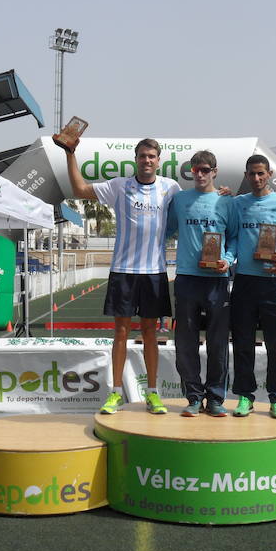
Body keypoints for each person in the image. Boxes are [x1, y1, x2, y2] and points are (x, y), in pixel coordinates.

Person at [65, 137, 180, 414]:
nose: (147, 160)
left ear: (159, 160)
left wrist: (220, 194)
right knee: (121, 332)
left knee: (151, 333)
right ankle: (115, 393)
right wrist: (70, 153)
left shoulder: (170, 188)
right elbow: (80, 189)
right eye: (143, 156)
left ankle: (153, 394)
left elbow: (194, 204)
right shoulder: (119, 186)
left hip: (154, 271)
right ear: (136, 159)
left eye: (152, 156)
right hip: (124, 271)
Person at [230, 154, 276, 419]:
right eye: (251, 174)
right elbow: (231, 239)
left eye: (261, 173)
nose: (256, 178)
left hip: (274, 284)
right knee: (242, 343)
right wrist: (227, 259)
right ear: (246, 175)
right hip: (244, 283)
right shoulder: (238, 204)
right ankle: (244, 396)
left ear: (270, 174)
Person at [165, 150, 237, 417]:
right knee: (186, 341)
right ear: (190, 172)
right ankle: (194, 397)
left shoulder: (228, 202)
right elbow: (165, 230)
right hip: (186, 279)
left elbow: (235, 239)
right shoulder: (180, 199)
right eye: (195, 170)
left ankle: (216, 397)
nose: (200, 174)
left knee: (218, 342)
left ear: (215, 172)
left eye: (205, 169)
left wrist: (228, 259)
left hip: (217, 281)